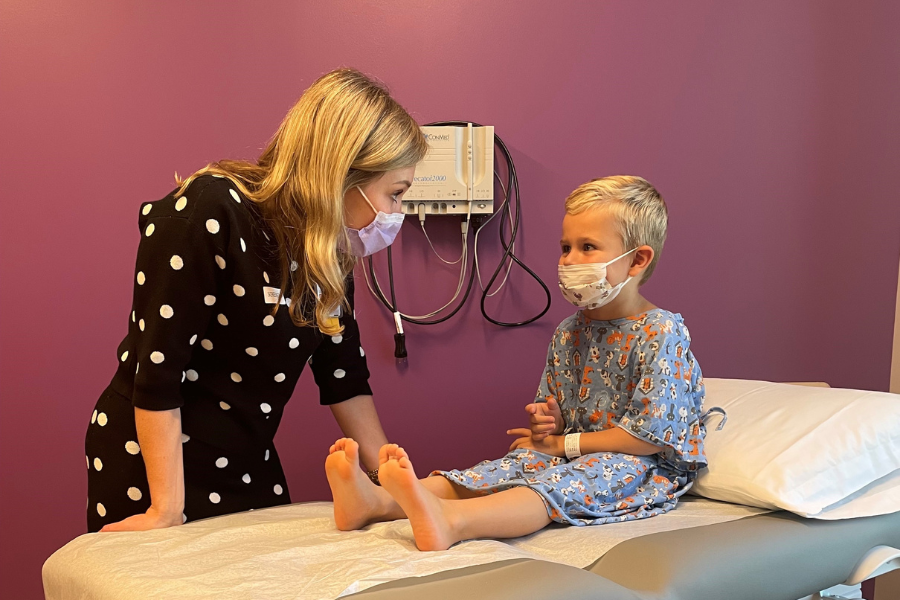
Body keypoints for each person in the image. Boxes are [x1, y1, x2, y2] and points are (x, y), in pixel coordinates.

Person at [85, 68, 428, 533]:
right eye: (395, 194)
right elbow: (158, 371)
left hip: (247, 458)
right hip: (153, 468)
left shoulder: (327, 255)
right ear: (343, 175)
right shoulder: (210, 210)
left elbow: (344, 377)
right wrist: (165, 510)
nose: (396, 214)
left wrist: (388, 481)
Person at [325, 175, 713, 550]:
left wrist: (563, 444)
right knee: (514, 464)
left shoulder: (660, 332)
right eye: (566, 247)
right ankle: (376, 503)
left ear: (637, 260)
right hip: (574, 451)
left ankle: (453, 521)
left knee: (564, 482)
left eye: (588, 247)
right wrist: (549, 423)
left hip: (639, 467)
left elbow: (647, 437)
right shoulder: (569, 332)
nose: (570, 260)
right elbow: (557, 413)